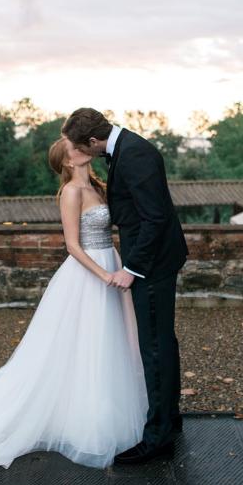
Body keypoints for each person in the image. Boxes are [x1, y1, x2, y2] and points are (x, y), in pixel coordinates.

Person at [0, 137, 148, 475]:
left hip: (111, 260)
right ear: (67, 161)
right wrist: (104, 275)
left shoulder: (97, 186)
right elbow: (72, 246)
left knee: (109, 341)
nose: (81, 148)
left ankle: (93, 409)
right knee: (82, 341)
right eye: (75, 148)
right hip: (90, 272)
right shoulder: (71, 193)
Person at [61, 108, 188, 465]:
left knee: (154, 346)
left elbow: (155, 218)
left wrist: (131, 268)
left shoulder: (135, 155)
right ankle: (169, 419)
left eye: (78, 146)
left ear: (93, 142)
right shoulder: (128, 148)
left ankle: (157, 438)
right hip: (155, 260)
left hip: (151, 265)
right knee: (162, 340)